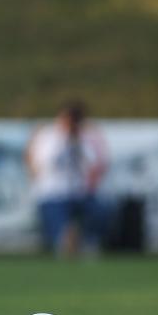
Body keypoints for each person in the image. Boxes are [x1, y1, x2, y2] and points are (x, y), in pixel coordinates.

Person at [26, 100, 108, 257]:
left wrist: (76, 141)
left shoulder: (82, 137)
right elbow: (45, 163)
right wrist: (64, 140)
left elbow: (92, 162)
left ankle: (87, 242)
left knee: (101, 210)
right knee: (56, 220)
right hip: (53, 193)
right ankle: (64, 242)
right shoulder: (48, 135)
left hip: (79, 193)